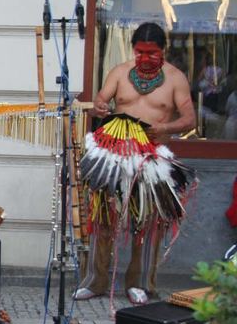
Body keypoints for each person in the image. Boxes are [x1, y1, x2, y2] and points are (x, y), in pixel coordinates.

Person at [74, 22, 197, 305]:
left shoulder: (176, 78)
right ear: (133, 49)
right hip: (114, 154)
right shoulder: (119, 72)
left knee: (147, 222)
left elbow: (190, 120)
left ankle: (139, 283)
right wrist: (99, 106)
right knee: (101, 218)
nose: (145, 58)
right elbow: (100, 101)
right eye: (140, 51)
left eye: (152, 53)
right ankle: (94, 281)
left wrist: (165, 129)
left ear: (163, 50)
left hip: (151, 158)